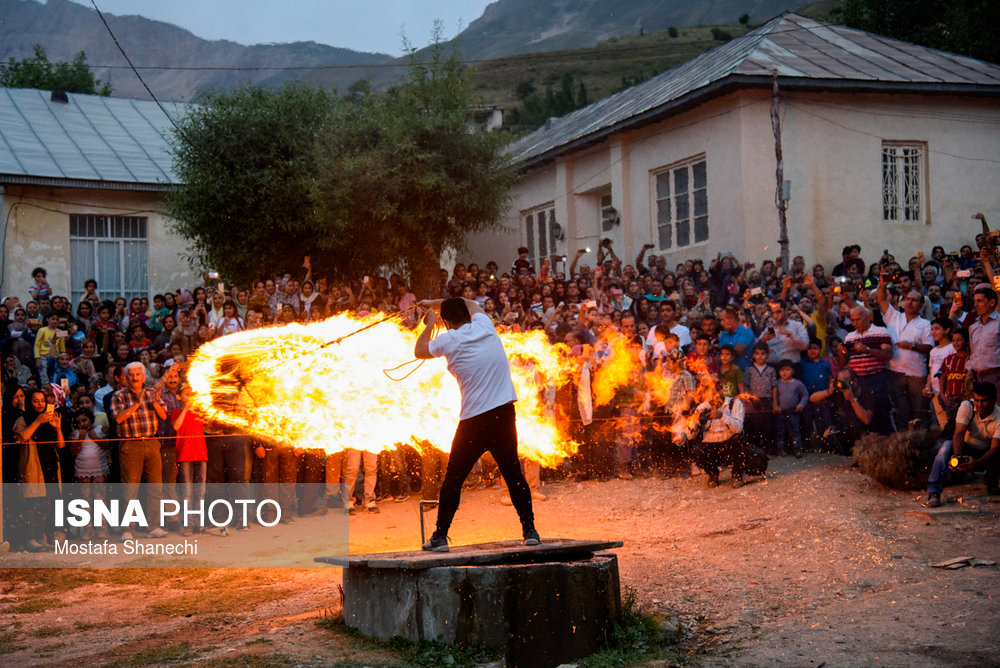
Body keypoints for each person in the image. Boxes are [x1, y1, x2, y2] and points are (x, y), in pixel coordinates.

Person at [415, 297, 539, 551]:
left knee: (453, 479)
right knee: (513, 474)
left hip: (474, 420)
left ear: (446, 322)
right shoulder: (484, 325)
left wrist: (428, 322)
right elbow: (469, 301)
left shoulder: (448, 339)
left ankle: (440, 536)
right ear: (468, 316)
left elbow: (418, 351)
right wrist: (435, 302)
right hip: (504, 414)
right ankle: (530, 530)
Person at [111, 361, 169, 539]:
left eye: (138, 375)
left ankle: (153, 526)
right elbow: (119, 419)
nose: (134, 378)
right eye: (131, 375)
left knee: (155, 487)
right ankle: (128, 529)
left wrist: (153, 401)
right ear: (126, 377)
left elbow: (164, 415)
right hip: (130, 444)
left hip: (152, 442)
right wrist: (137, 402)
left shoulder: (153, 393)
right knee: (130, 489)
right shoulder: (119, 395)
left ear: (144, 376)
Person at [924, 382, 1000, 507]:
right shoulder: (967, 406)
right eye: (977, 400)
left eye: (984, 401)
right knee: (946, 447)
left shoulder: (999, 416)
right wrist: (957, 457)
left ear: (993, 400)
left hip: (987, 451)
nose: (979, 405)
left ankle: (992, 483)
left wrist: (976, 464)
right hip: (967, 446)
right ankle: (933, 492)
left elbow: (995, 447)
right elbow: (959, 433)